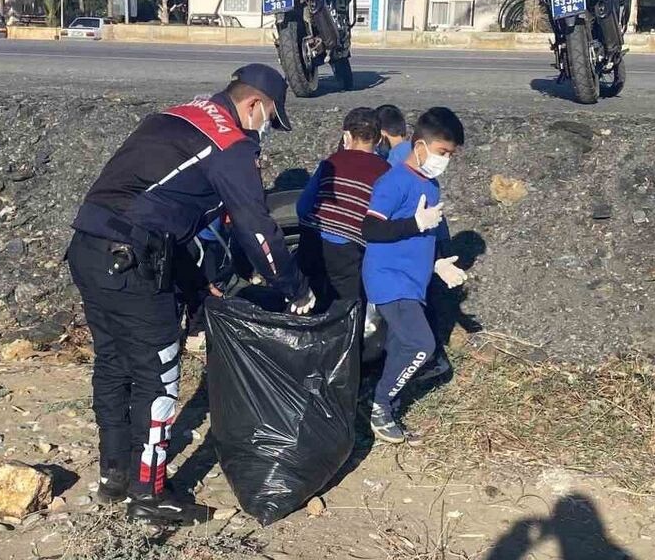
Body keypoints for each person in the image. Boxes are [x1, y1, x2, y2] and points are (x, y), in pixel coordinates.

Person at [65, 63, 315, 525]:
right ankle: (149, 494)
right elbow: (257, 229)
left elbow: (156, 203)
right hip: (133, 263)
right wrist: (294, 287)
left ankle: (114, 476)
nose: (265, 130)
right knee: (158, 377)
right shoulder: (231, 144)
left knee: (114, 363)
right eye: (269, 118)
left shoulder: (178, 116)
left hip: (88, 248)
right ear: (254, 104)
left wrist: (198, 282)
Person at [362, 107, 467, 443]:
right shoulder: (393, 181)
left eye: (450, 155)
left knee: (399, 346)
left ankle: (380, 401)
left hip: (413, 282)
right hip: (388, 278)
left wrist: (438, 263)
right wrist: (414, 223)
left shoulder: (431, 185)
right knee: (421, 345)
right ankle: (380, 405)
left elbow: (426, 235)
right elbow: (371, 228)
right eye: (442, 152)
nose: (445, 160)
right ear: (419, 145)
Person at [295, 107, 390, 310]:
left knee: (309, 301)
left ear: (347, 135)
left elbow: (302, 207)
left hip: (313, 241)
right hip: (350, 250)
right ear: (379, 139)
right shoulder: (386, 172)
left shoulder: (331, 162)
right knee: (346, 308)